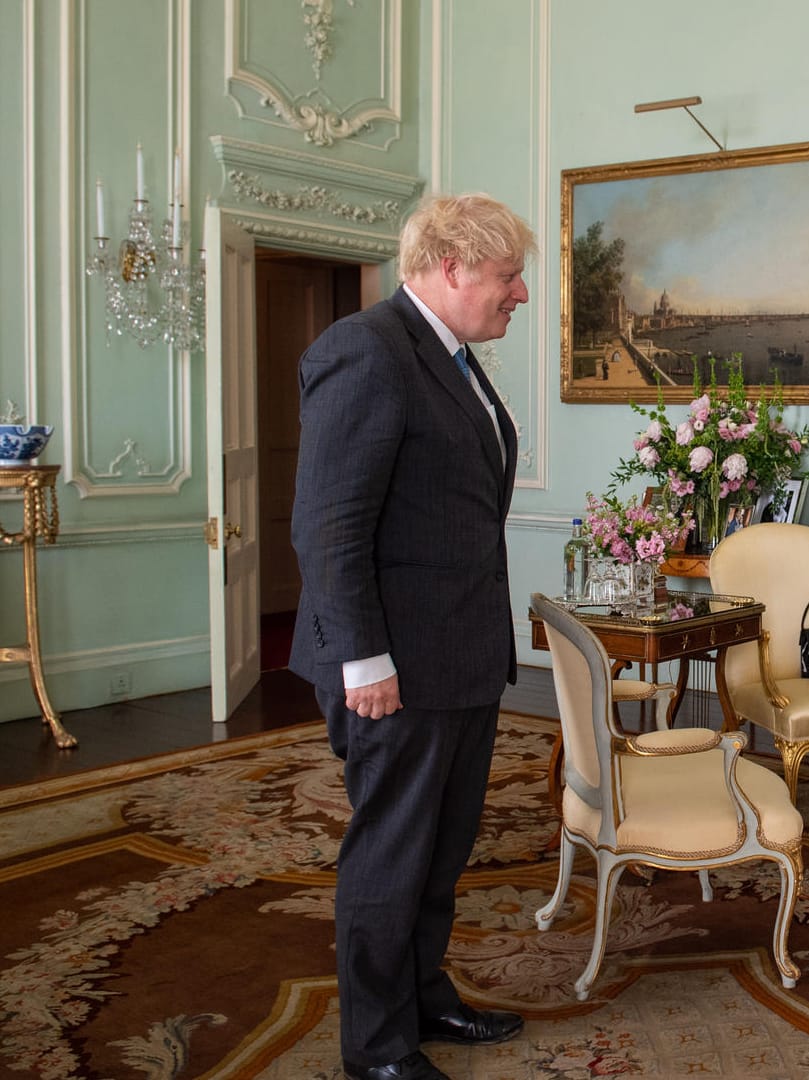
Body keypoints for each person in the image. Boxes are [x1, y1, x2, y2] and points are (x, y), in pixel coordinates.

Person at [288, 193, 536, 1080]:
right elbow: (329, 528)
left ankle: (425, 997)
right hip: (390, 667)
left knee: (440, 850)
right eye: (509, 277)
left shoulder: (451, 357)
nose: (521, 295)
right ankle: (379, 1048)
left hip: (457, 660)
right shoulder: (367, 351)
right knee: (391, 856)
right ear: (454, 266)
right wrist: (364, 658)